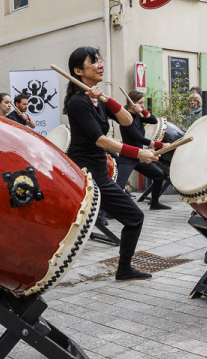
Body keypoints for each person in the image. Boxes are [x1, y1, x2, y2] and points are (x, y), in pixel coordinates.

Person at [63, 47, 158, 280]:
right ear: (78, 71)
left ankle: (124, 268)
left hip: (98, 172)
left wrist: (105, 98)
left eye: (100, 60)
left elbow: (126, 120)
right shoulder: (78, 102)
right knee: (134, 217)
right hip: (85, 174)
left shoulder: (96, 100)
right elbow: (100, 139)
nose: (100, 64)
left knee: (134, 218)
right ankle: (124, 269)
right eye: (93, 62)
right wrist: (139, 153)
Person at [115, 90, 171, 211]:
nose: (142, 105)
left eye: (143, 103)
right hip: (128, 156)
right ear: (132, 104)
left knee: (159, 176)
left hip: (139, 156)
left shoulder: (138, 116)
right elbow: (139, 138)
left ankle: (154, 203)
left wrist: (143, 111)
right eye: (140, 103)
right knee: (119, 186)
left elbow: (154, 121)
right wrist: (161, 145)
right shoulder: (126, 118)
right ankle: (104, 214)